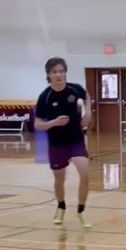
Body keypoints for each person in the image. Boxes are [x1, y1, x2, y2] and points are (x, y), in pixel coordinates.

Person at [34, 57, 92, 228]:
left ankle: (81, 210)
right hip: (57, 144)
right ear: (49, 75)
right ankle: (61, 206)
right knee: (59, 179)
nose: (59, 74)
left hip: (76, 141)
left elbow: (87, 96)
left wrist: (88, 113)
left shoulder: (75, 89)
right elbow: (37, 124)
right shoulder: (45, 97)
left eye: (61, 71)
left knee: (85, 174)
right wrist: (53, 122)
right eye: (55, 72)